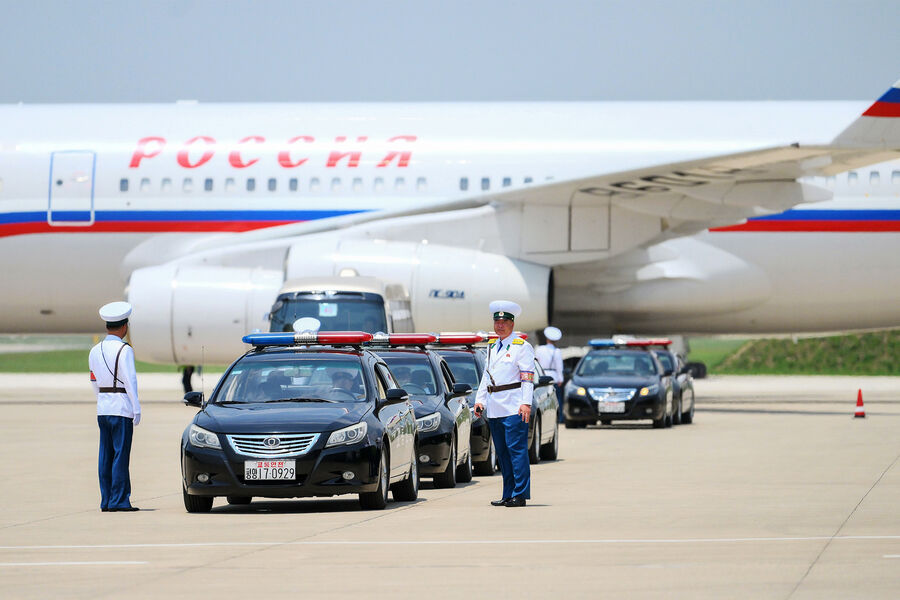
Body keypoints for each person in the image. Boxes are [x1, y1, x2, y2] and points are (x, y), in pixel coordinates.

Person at [473, 300, 535, 508]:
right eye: (497, 322)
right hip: (495, 406)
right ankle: (508, 493)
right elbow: (486, 376)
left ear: (512, 323)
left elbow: (527, 377)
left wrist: (526, 403)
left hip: (514, 405)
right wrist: (480, 400)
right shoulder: (492, 346)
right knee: (502, 452)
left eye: (504, 322)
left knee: (516, 451)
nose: (500, 326)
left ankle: (520, 493)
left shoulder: (522, 347)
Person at [88, 301, 141, 512]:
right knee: (120, 455)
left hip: (103, 408)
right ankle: (119, 500)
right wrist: (136, 408)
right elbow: (130, 381)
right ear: (124, 326)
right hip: (121, 409)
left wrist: (101, 400)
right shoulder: (124, 350)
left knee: (105, 455)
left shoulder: (95, 350)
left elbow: (93, 380)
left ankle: (106, 499)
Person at [536, 326, 565, 423]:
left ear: (547, 338)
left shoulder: (540, 349)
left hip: (542, 375)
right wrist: (560, 378)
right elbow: (559, 367)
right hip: (554, 377)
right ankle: (559, 418)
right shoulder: (557, 351)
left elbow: (536, 363)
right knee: (556, 399)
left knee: (543, 399)